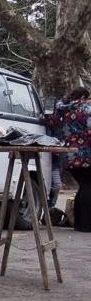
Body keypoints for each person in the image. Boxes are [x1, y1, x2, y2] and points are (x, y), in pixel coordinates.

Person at [48, 87, 91, 232]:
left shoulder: (61, 109)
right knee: (88, 185)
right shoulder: (86, 109)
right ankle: (85, 224)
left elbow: (53, 125)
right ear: (84, 97)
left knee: (83, 186)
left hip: (67, 153)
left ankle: (79, 223)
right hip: (85, 154)